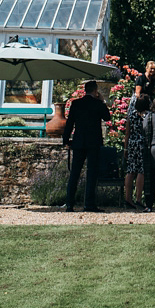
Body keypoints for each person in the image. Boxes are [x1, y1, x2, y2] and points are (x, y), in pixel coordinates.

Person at [62, 79, 111, 212]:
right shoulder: (97, 104)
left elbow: (69, 123)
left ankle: (69, 204)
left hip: (79, 141)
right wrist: (102, 101)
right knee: (92, 172)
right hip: (93, 142)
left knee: (75, 173)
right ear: (95, 91)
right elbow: (107, 118)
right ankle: (89, 204)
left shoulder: (76, 104)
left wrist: (66, 140)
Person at [123, 93, 150, 210]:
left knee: (130, 170)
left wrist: (125, 148)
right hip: (142, 143)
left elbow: (127, 132)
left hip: (132, 143)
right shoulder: (147, 116)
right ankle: (138, 198)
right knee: (141, 171)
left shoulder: (131, 115)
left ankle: (127, 198)